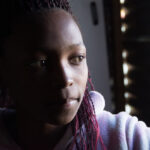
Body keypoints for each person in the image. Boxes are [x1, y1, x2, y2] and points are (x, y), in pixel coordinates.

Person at [0, 0, 149, 150]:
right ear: (4, 70)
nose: (65, 79)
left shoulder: (126, 137)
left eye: (77, 58)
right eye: (40, 63)